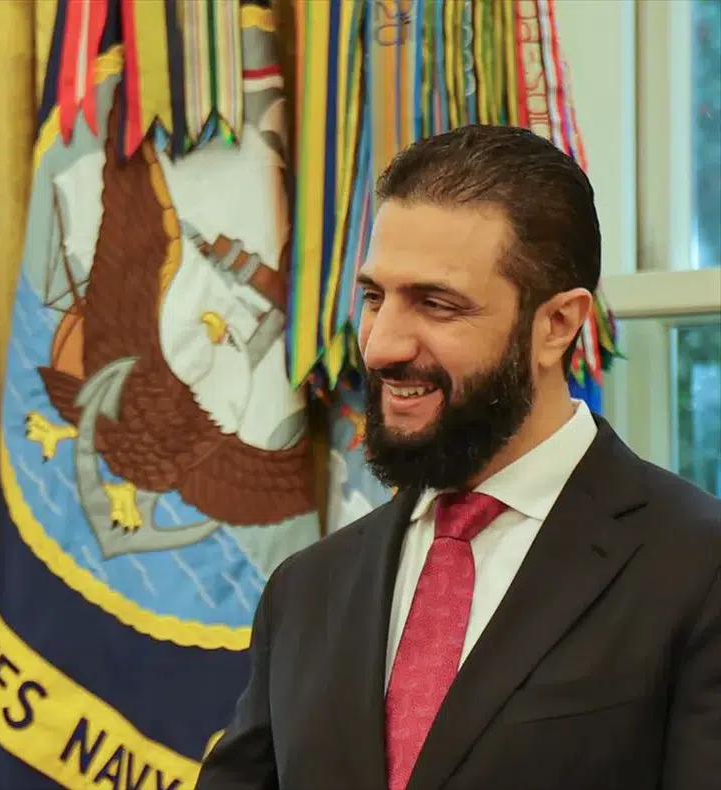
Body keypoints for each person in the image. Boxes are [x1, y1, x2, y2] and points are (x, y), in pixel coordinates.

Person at [196, 125, 721, 790]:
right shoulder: (306, 590)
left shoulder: (697, 569)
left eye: (436, 304)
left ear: (558, 325)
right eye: (374, 297)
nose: (381, 346)